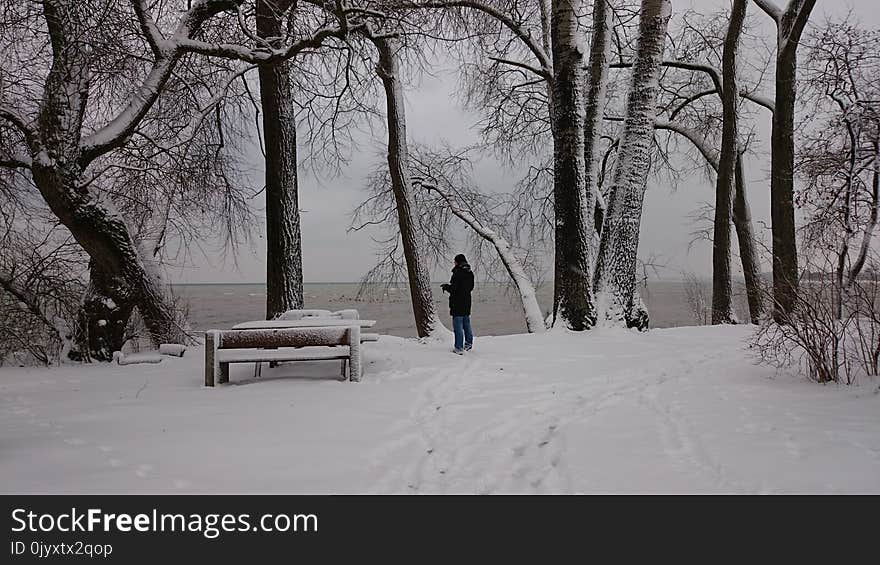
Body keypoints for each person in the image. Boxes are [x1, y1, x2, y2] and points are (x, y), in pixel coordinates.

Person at [441, 254, 475, 354]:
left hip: (457, 303)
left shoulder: (457, 273)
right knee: (466, 324)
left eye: (455, 261)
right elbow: (470, 288)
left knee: (458, 326)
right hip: (467, 302)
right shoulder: (470, 273)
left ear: (458, 262)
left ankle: (459, 348)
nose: (454, 263)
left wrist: (446, 287)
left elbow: (454, 289)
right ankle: (468, 343)